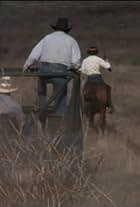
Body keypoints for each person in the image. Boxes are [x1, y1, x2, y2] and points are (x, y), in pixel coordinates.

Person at [23, 17, 81, 115]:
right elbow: (76, 62)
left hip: (44, 70)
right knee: (60, 96)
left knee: (41, 91)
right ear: (67, 29)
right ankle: (58, 118)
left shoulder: (47, 38)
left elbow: (34, 54)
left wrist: (26, 66)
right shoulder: (71, 40)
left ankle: (41, 112)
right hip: (61, 71)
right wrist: (74, 68)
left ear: (55, 28)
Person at [79, 46, 114, 113]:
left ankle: (83, 108)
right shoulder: (99, 59)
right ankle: (110, 105)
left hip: (90, 78)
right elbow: (108, 67)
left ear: (88, 53)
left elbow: (82, 70)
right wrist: (106, 61)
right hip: (98, 78)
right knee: (108, 88)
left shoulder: (85, 60)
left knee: (83, 90)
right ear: (96, 52)